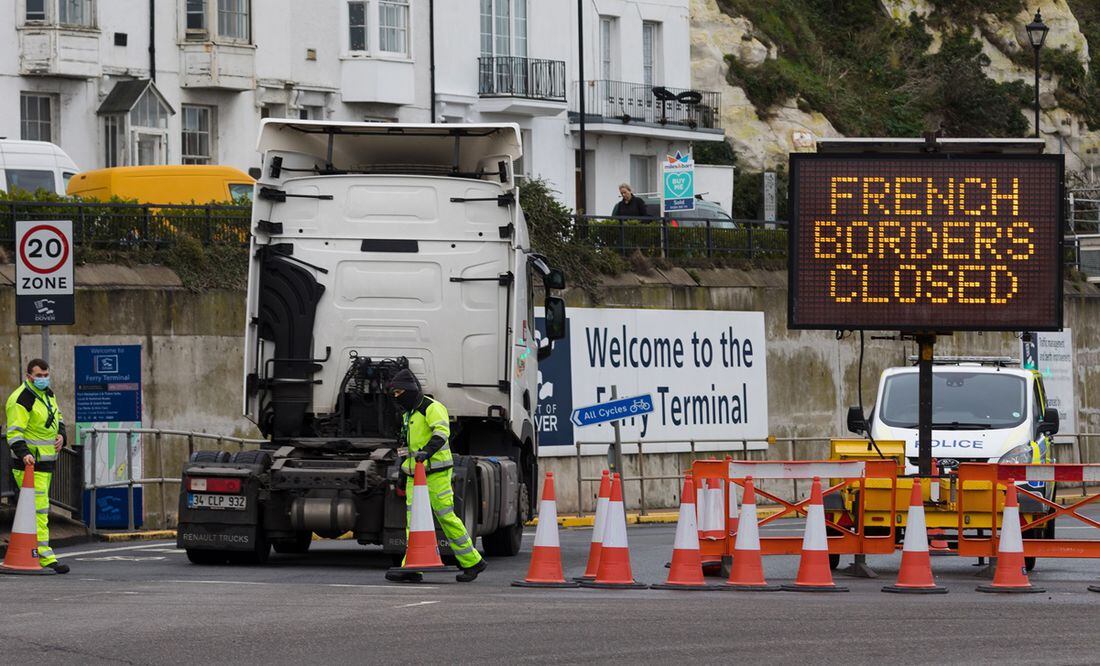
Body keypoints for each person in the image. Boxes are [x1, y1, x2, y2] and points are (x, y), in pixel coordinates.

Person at [384, 369, 486, 583]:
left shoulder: (432, 408)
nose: (396, 397)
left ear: (411, 390)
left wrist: (427, 453)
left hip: (436, 473)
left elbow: (441, 433)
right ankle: (411, 566)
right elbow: (405, 446)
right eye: (394, 393)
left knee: (446, 516)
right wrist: (403, 469)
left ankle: (473, 561)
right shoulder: (407, 415)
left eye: (399, 392)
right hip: (415, 475)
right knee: (414, 522)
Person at [5, 358, 69, 574]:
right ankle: (45, 556)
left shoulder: (47, 394)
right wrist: (24, 455)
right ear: (28, 376)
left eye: (45, 375)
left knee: (39, 509)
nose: (43, 379)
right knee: (39, 510)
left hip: (45, 462)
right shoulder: (21, 399)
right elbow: (14, 432)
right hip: (29, 465)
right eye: (38, 376)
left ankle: (35, 552)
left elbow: (57, 416)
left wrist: (62, 435)